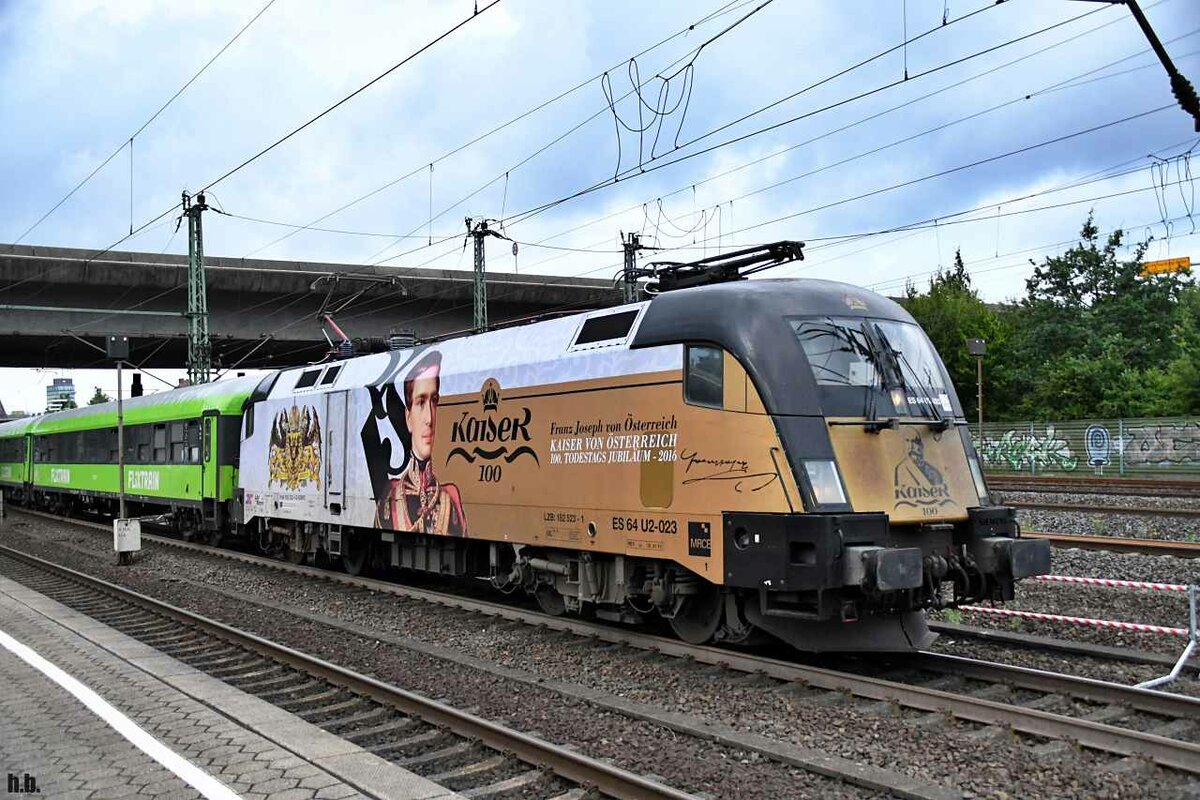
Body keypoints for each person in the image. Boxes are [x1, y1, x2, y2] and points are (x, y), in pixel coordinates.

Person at [375, 350, 467, 535]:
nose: (429, 418)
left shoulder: (451, 498)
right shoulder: (390, 494)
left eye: (434, 401)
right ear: (408, 418)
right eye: (421, 402)